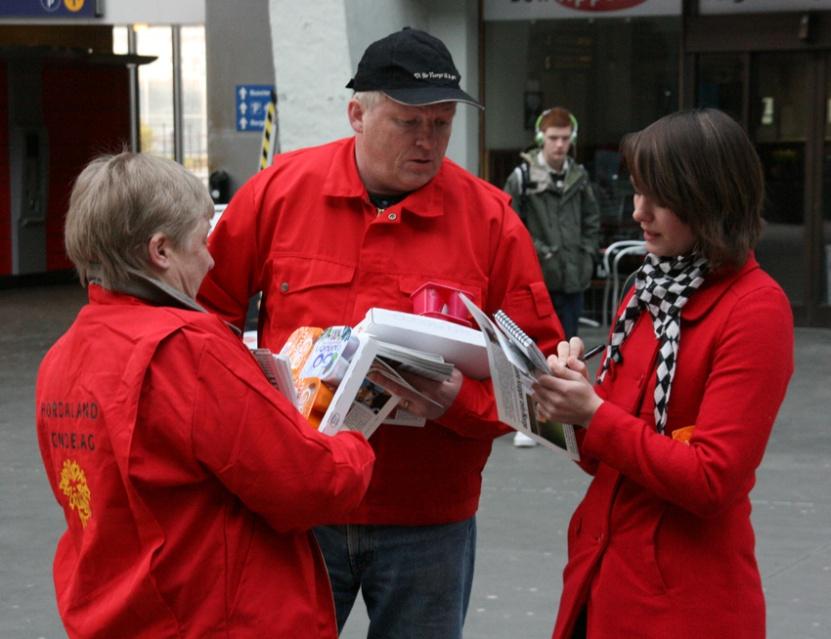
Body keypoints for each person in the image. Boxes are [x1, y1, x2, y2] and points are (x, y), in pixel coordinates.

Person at [198, 27, 563, 639]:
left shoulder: (491, 221)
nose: (428, 142)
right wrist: (253, 400)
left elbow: (540, 373)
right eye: (408, 123)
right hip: (300, 505)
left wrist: (461, 403)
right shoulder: (281, 193)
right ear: (357, 115)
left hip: (429, 519)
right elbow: (204, 315)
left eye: (441, 124)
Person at [35, 152, 375, 639]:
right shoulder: (187, 350)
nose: (212, 259)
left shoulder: (64, 355)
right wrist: (354, 440)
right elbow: (306, 483)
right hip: (209, 615)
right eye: (201, 239)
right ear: (161, 251)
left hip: (119, 611)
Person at [532, 108, 794, 638]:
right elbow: (606, 459)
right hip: (602, 577)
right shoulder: (648, 289)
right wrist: (563, 403)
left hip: (682, 604)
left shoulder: (756, 308)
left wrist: (594, 414)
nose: (638, 212)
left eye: (660, 197)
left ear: (711, 200)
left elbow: (711, 480)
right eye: (636, 191)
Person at [504, 107, 600, 448]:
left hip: (573, 274)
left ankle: (561, 416)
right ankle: (529, 417)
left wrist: (588, 252)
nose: (560, 145)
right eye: (554, 138)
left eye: (565, 138)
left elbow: (591, 218)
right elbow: (512, 224)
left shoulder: (579, 176)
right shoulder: (523, 176)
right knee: (533, 349)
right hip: (538, 279)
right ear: (541, 138)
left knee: (568, 348)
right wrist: (542, 253)